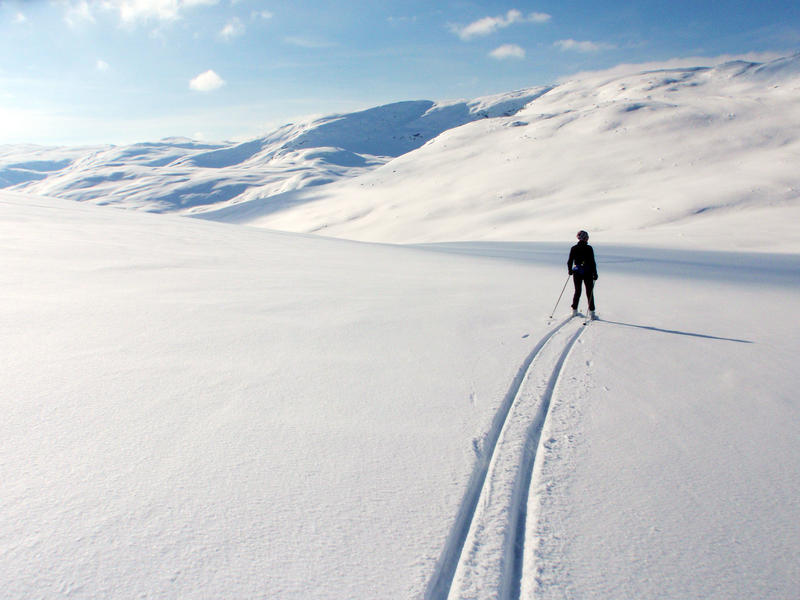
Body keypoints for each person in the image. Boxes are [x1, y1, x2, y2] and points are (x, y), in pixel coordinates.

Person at [568, 230, 598, 319]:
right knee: (589, 292)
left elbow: (569, 261)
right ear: (585, 238)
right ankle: (592, 313)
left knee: (577, 291)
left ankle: (574, 310)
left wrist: (570, 270)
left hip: (577, 272)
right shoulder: (589, 248)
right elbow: (592, 262)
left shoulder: (574, 248)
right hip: (588, 272)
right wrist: (595, 273)